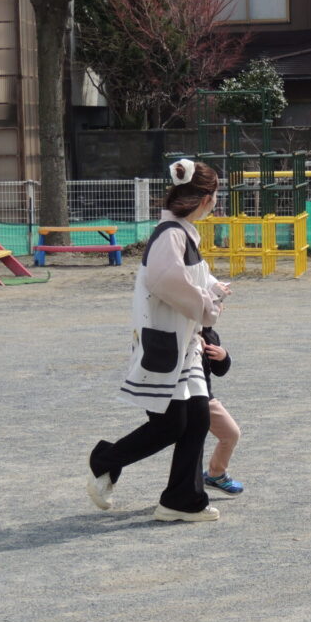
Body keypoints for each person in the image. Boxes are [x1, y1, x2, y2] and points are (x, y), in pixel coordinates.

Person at [87, 158, 230, 522]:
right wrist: (209, 305)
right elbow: (168, 282)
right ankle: (106, 461)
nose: (216, 201)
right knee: (172, 424)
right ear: (206, 198)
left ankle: (182, 500)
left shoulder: (180, 232)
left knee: (194, 420)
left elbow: (190, 276)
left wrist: (212, 287)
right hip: (167, 343)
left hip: (182, 344)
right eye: (216, 195)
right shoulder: (172, 234)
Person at [199, 326, 243, 496]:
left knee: (231, 434)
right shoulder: (186, 328)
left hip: (205, 397)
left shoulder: (211, 334)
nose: (217, 312)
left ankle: (215, 475)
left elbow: (219, 371)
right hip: (182, 397)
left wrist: (224, 356)